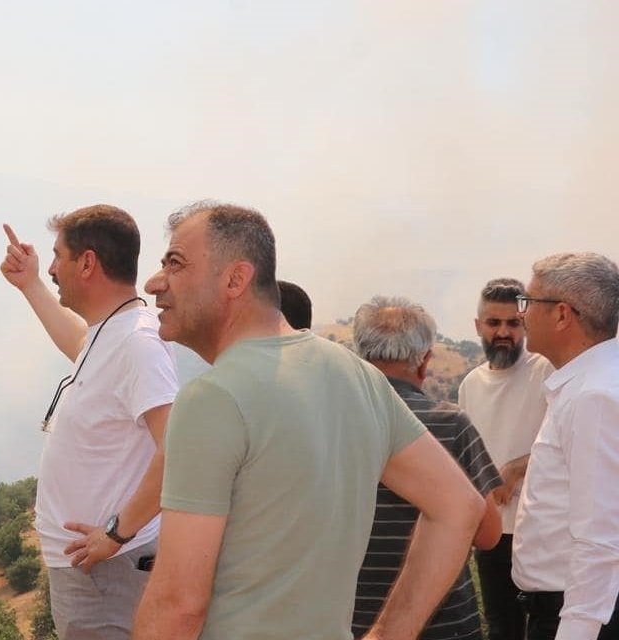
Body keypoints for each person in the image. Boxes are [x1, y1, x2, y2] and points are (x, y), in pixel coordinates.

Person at [131, 200, 485, 640]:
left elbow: (177, 605)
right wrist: (390, 634)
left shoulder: (212, 399)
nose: (155, 281)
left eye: (175, 263)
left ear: (235, 279)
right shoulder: (356, 375)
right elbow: (459, 506)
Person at [0, 204, 198, 639]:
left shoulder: (137, 342)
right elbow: (80, 344)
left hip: (107, 573)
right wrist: (31, 285)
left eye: (57, 257)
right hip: (95, 572)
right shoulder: (113, 331)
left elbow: (180, 448)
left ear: (87, 262)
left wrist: (116, 534)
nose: (51, 268)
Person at [351, 295, 505, 640]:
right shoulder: (449, 423)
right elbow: (487, 534)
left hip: (351, 622)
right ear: (424, 361)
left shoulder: (331, 420)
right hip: (444, 623)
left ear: (358, 357)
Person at [513, 252, 619, 640]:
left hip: (580, 615)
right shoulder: (592, 384)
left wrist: (576, 631)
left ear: (562, 315)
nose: (522, 315)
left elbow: (600, 535)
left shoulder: (594, 395)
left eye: (528, 302)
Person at [458, 277, 555, 640]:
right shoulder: (470, 384)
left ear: (525, 323)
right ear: (478, 326)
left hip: (541, 532)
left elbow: (567, 444)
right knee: (501, 627)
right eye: (494, 323)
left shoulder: (547, 372)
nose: (503, 332)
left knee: (546, 626)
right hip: (491, 533)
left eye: (513, 323)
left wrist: (516, 469)